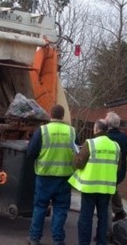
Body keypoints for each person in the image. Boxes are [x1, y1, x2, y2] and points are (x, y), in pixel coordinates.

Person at [27, 104, 79, 245]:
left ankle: (34, 238)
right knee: (60, 209)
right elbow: (78, 153)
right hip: (64, 178)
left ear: (51, 115)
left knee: (40, 207)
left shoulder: (43, 131)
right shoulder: (72, 132)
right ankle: (58, 240)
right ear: (62, 116)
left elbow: (30, 152)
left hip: (45, 177)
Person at [68, 119, 120, 245]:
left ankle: (84, 242)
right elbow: (117, 165)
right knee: (103, 218)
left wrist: (76, 155)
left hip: (90, 188)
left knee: (86, 218)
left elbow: (78, 164)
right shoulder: (115, 146)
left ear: (96, 129)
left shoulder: (90, 143)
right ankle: (102, 242)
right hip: (107, 188)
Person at [105, 111, 127, 222]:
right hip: (119, 173)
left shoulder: (105, 137)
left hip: (105, 171)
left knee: (105, 200)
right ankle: (119, 211)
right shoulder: (124, 138)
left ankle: (106, 232)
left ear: (108, 124)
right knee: (112, 188)